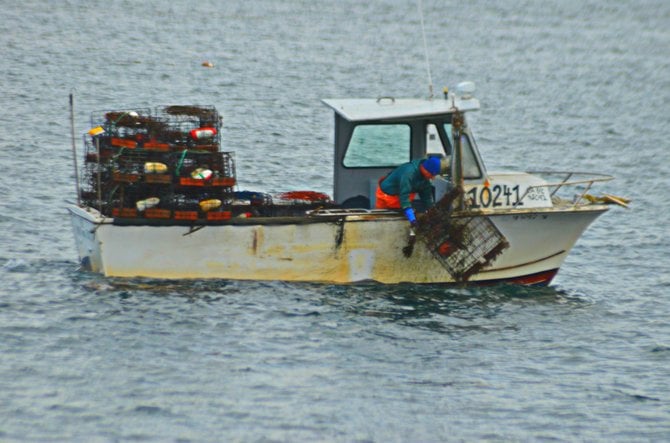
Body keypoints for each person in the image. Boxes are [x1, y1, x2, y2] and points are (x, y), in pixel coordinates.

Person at [375, 156, 442, 225]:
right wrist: (411, 215)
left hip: (401, 200)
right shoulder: (409, 173)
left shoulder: (425, 179)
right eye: (432, 174)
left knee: (399, 222)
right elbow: (404, 194)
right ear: (425, 169)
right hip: (386, 195)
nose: (433, 178)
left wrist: (432, 212)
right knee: (380, 221)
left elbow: (427, 197)